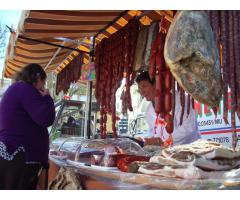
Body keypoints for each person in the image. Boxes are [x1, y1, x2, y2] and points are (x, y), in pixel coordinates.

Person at [0, 63, 55, 189]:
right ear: (38, 77)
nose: (43, 86)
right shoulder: (26, 89)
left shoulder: (17, 89)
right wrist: (47, 97)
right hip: (19, 157)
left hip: (13, 156)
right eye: (43, 82)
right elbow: (46, 118)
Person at [135, 71, 200, 146]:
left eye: (144, 86)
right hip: (165, 154)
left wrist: (164, 141)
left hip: (189, 151)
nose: (142, 92)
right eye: (139, 88)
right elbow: (153, 132)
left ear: (156, 84)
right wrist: (146, 139)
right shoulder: (149, 110)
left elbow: (189, 128)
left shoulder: (181, 100)